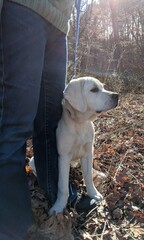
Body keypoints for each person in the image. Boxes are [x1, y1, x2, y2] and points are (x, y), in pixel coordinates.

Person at [0, 0, 75, 239]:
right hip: (22, 8)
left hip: (60, 23)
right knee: (15, 123)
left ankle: (59, 197)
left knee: (50, 123)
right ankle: (13, 227)